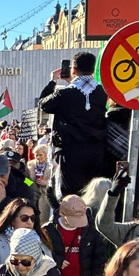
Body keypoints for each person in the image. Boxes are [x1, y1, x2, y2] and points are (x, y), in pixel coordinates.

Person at [39, 51, 108, 197]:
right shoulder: (102, 92)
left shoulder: (64, 94)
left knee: (69, 197)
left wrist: (53, 81)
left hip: (71, 153)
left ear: (74, 69)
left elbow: (43, 104)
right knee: (93, 195)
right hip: (96, 152)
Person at [42, 194, 108, 276]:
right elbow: (40, 255)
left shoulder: (91, 231)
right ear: (62, 213)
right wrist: (57, 261)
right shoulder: (48, 230)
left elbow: (99, 261)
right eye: (74, 218)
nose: (78, 223)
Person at [0, 198, 51, 268]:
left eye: (32, 218)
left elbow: (51, 270)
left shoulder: (41, 243)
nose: (29, 222)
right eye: (24, 218)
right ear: (12, 220)